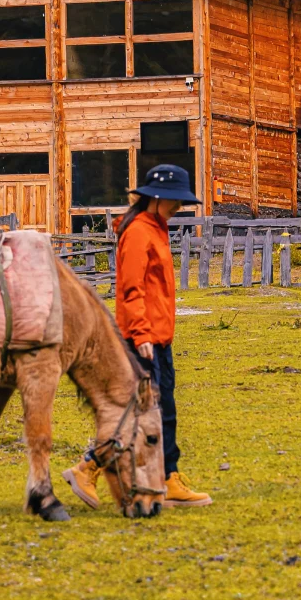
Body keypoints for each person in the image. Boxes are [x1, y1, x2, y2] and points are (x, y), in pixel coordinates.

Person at [64, 163, 212, 509]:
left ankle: (168, 477)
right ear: (156, 198)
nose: (178, 209)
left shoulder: (155, 228)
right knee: (140, 413)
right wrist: (142, 334)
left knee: (162, 409)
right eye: (174, 202)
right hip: (142, 339)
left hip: (159, 337)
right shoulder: (138, 233)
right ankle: (88, 468)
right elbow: (131, 289)